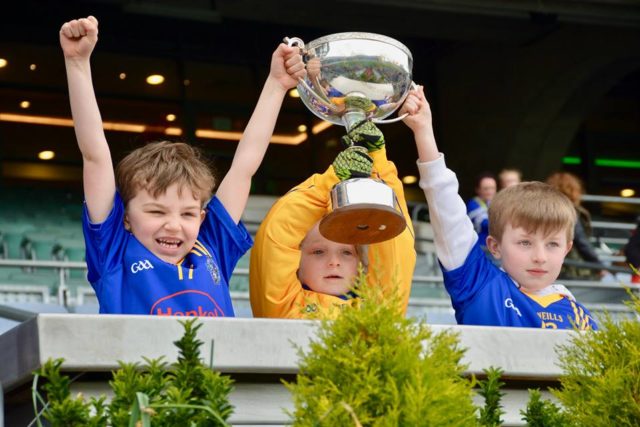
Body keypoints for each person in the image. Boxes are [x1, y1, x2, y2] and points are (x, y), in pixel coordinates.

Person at [60, 16, 305, 315]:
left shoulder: (212, 243)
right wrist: (76, 62)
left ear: (202, 217)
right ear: (125, 217)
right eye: (155, 211)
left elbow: (244, 166)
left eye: (188, 213)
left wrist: (276, 85)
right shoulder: (113, 250)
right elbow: (94, 155)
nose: (174, 224)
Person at [402, 85, 597, 329]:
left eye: (552, 244)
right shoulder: (479, 284)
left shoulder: (583, 319)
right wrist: (423, 130)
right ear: (494, 246)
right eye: (525, 242)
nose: (539, 257)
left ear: (567, 249)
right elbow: (446, 208)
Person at [250, 121, 416, 318]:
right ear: (296, 262)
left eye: (347, 252)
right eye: (318, 251)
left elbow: (393, 237)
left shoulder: (379, 310)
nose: (334, 262)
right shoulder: (284, 305)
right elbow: (279, 232)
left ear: (361, 266)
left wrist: (377, 165)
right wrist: (327, 184)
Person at [546, 172, 605, 280]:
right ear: (573, 190)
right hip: (573, 268)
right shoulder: (570, 212)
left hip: (551, 265)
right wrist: (599, 265)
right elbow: (581, 241)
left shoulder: (546, 211)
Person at [466, 172, 497, 248]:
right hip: (480, 246)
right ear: (478, 190)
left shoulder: (495, 202)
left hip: (494, 247)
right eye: (486, 189)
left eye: (492, 188)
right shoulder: (473, 204)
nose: (490, 192)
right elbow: (484, 224)